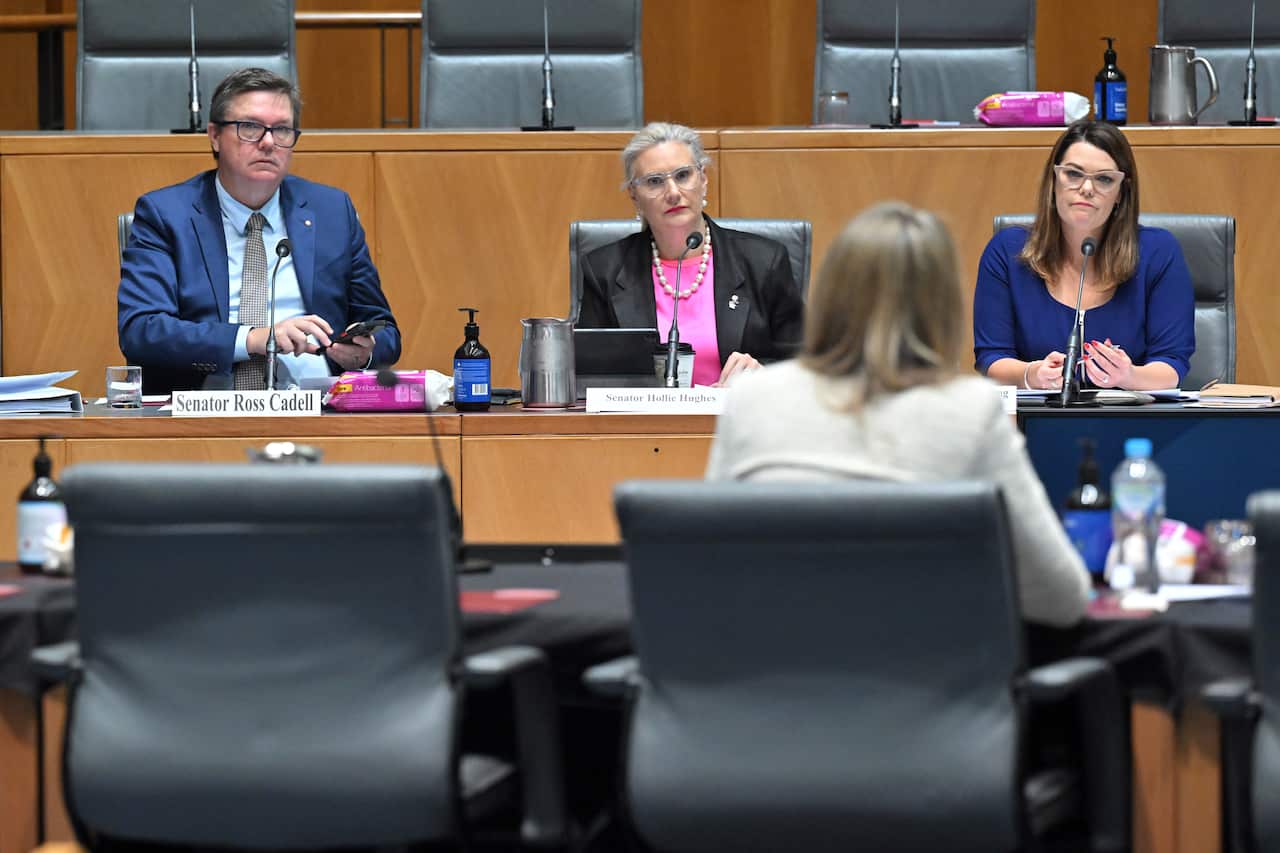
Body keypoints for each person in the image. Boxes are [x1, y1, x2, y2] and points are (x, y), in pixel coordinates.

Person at [705, 202, 1091, 627]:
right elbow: (1059, 597)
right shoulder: (970, 411)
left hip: (774, 674)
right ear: (943, 305)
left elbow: (715, 566)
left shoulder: (752, 399)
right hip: (930, 679)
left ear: (830, 293)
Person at [118, 68, 400, 393]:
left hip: (316, 410)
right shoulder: (167, 214)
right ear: (214, 135)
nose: (268, 143)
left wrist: (364, 353)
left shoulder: (332, 211)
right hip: (203, 416)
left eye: (281, 130)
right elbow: (141, 330)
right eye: (250, 127)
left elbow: (385, 330)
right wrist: (254, 338)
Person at [974, 120, 1194, 392]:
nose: (1087, 188)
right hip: (1034, 424)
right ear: (1054, 181)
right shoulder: (1008, 252)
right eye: (1074, 174)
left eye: (1104, 179)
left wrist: (1129, 376)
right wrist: (1031, 374)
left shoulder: (1158, 253)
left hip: (1131, 423)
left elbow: (1172, 364)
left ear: (1121, 193)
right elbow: (990, 358)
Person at [578, 122, 804, 387]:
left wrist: (761, 373)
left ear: (703, 179)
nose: (673, 193)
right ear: (634, 195)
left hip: (737, 420)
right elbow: (590, 375)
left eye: (683, 175)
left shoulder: (764, 261)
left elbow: (806, 364)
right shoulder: (605, 269)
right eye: (654, 181)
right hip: (645, 425)